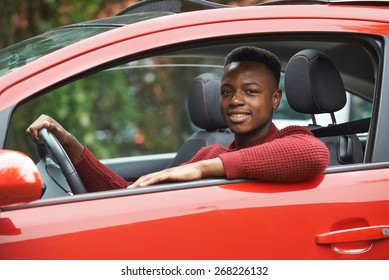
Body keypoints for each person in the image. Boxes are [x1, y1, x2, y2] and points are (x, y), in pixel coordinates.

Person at [27, 46, 330, 192]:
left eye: (251, 91)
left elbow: (314, 155)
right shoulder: (210, 151)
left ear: (275, 99)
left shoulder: (292, 140)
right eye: (227, 91)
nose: (236, 100)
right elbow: (128, 195)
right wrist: (70, 144)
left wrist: (202, 170)